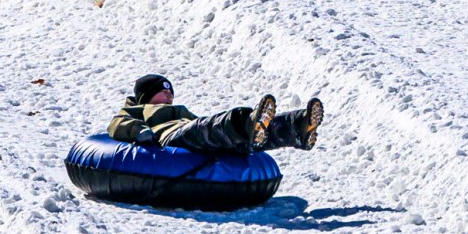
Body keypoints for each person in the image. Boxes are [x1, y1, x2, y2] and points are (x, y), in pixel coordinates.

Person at [109, 74, 322, 155]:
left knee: (246, 140)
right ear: (146, 96)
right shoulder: (136, 110)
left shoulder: (180, 110)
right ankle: (248, 121)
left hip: (187, 131)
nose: (168, 94)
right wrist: (140, 131)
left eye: (170, 91)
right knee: (211, 127)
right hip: (169, 137)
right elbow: (117, 125)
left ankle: (297, 127)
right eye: (161, 90)